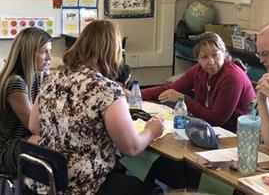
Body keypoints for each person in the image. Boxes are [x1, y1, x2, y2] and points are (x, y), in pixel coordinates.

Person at [29, 19, 164, 195]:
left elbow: (34, 126)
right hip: (83, 186)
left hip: (45, 181)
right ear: (112, 51)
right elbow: (131, 148)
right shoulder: (107, 89)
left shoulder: (52, 78)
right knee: (154, 191)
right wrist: (151, 131)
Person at [142, 32, 255, 132]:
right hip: (206, 127)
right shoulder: (199, 70)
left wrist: (183, 99)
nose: (211, 62)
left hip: (233, 134)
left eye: (215, 55)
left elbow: (216, 120)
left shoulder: (232, 77)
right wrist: (135, 93)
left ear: (224, 54)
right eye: (204, 57)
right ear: (197, 58)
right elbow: (169, 89)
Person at [0, 27, 52, 176]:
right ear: (28, 54)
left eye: (50, 51)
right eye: (44, 52)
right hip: (7, 147)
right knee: (47, 141)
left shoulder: (36, 77)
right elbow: (34, 126)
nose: (49, 58)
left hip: (24, 140)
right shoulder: (15, 83)